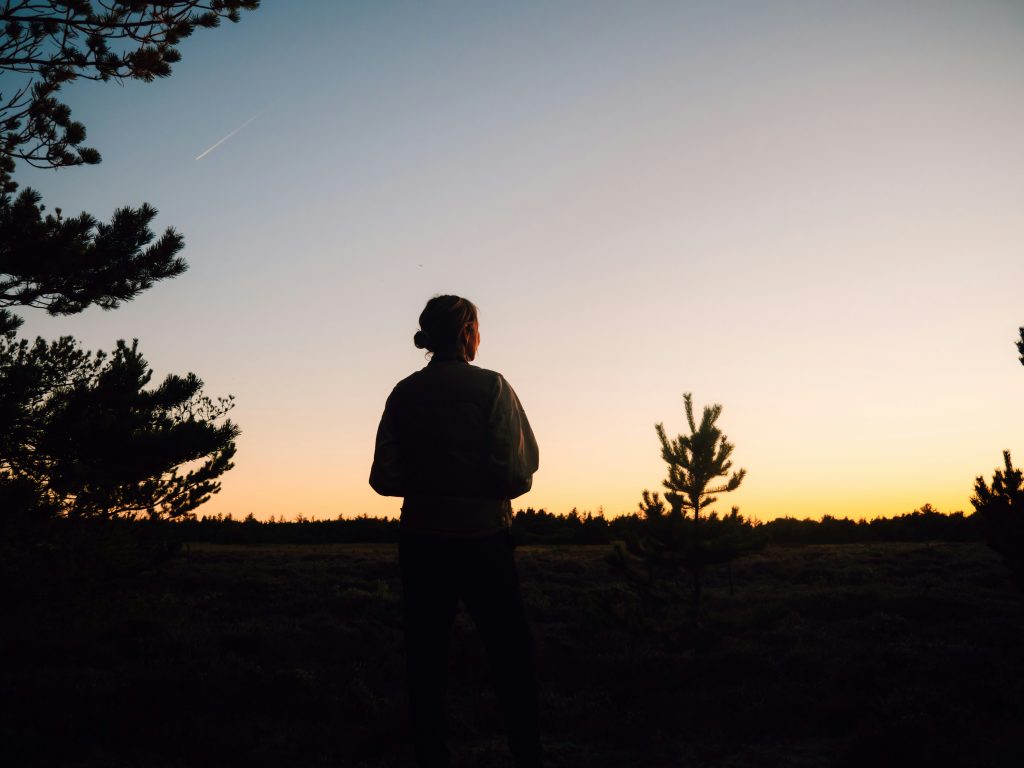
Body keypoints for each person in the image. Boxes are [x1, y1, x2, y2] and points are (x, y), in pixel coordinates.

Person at [370, 295, 542, 768]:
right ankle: (526, 754)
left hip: (422, 542)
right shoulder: (493, 387)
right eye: (478, 328)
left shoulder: (403, 393)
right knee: (511, 654)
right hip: (485, 540)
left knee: (425, 659)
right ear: (467, 332)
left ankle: (432, 755)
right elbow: (517, 472)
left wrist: (430, 484)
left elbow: (384, 477)